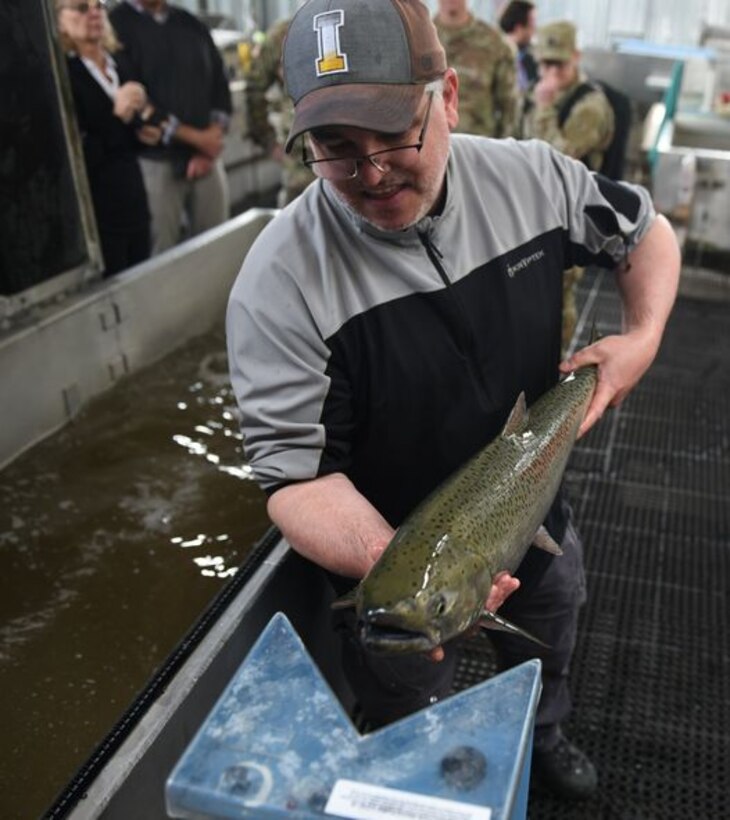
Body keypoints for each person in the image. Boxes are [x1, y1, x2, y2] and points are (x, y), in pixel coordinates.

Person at [226, 0, 680, 802]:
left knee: (551, 624)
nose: (371, 174)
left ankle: (543, 733)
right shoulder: (277, 283)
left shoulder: (532, 178)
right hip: (391, 561)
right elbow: (296, 479)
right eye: (335, 147)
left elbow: (647, 235)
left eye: (395, 133)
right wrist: (408, 575)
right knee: (408, 704)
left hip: (540, 507)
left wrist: (638, 342)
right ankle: (427, 774)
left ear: (451, 96)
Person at [109, 0, 232, 254]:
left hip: (208, 160)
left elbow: (220, 85)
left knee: (218, 247)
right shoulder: (116, 25)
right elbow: (136, 104)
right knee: (160, 254)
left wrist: (209, 145)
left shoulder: (190, 23)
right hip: (156, 163)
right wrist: (199, 140)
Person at [522, 20, 616, 353]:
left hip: (568, 218)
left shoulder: (588, 106)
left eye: (558, 63)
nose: (550, 71)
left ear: (575, 57)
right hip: (531, 210)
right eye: (544, 63)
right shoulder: (539, 91)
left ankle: (557, 365)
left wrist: (545, 108)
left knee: (557, 297)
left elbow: (560, 160)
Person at [56, 0, 155, 276]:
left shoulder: (119, 64)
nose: (94, 13)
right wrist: (118, 117)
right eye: (81, 7)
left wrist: (144, 123)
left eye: (98, 6)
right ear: (60, 20)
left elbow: (130, 137)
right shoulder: (64, 78)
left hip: (133, 199)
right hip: (100, 213)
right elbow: (77, 155)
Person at [244, 16, 315, 207]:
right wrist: (268, 141)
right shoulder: (282, 35)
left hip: (349, 152)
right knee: (296, 219)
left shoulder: (351, 23)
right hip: (300, 157)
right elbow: (254, 89)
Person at [433, 0, 517, 138]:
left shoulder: (494, 43)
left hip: (478, 148)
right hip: (427, 148)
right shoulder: (416, 38)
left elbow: (509, 108)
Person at [498, 0, 538, 94]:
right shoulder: (495, 54)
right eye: (532, 24)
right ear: (518, 28)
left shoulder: (534, 57)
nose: (535, 29)